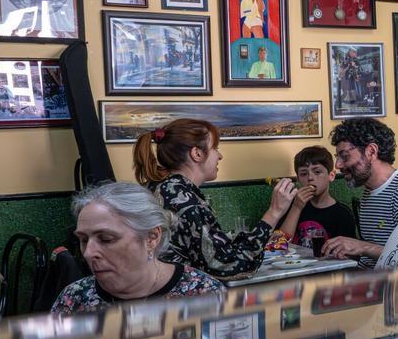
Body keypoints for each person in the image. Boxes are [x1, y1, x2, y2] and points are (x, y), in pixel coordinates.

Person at [133, 118, 297, 277]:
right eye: (215, 148)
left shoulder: (161, 187)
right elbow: (228, 265)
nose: (220, 156)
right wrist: (275, 211)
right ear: (197, 153)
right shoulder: (185, 202)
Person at [52, 182, 223, 313]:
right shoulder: (74, 299)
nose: (89, 253)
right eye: (83, 240)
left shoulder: (204, 294)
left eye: (106, 239)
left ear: (152, 237)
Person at [320, 118, 398, 268]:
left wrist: (361, 247)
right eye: (338, 158)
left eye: (344, 156)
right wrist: (348, 249)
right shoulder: (369, 190)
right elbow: (375, 251)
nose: (338, 165)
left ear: (371, 151)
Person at [278, 146, 357, 247]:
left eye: (317, 172)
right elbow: (278, 246)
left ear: (331, 176)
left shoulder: (343, 213)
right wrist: (296, 207)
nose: (310, 177)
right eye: (304, 173)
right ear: (298, 179)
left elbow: (350, 256)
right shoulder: (291, 205)